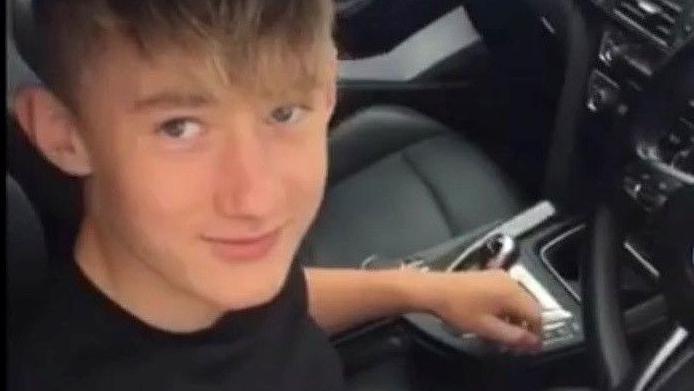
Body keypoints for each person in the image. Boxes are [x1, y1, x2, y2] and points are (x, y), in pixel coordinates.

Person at [9, 0, 542, 389]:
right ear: (63, 136)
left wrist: (420, 291)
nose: (256, 199)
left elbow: (279, 302)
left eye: (283, 113)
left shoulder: (196, 273)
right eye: (179, 128)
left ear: (329, 91)